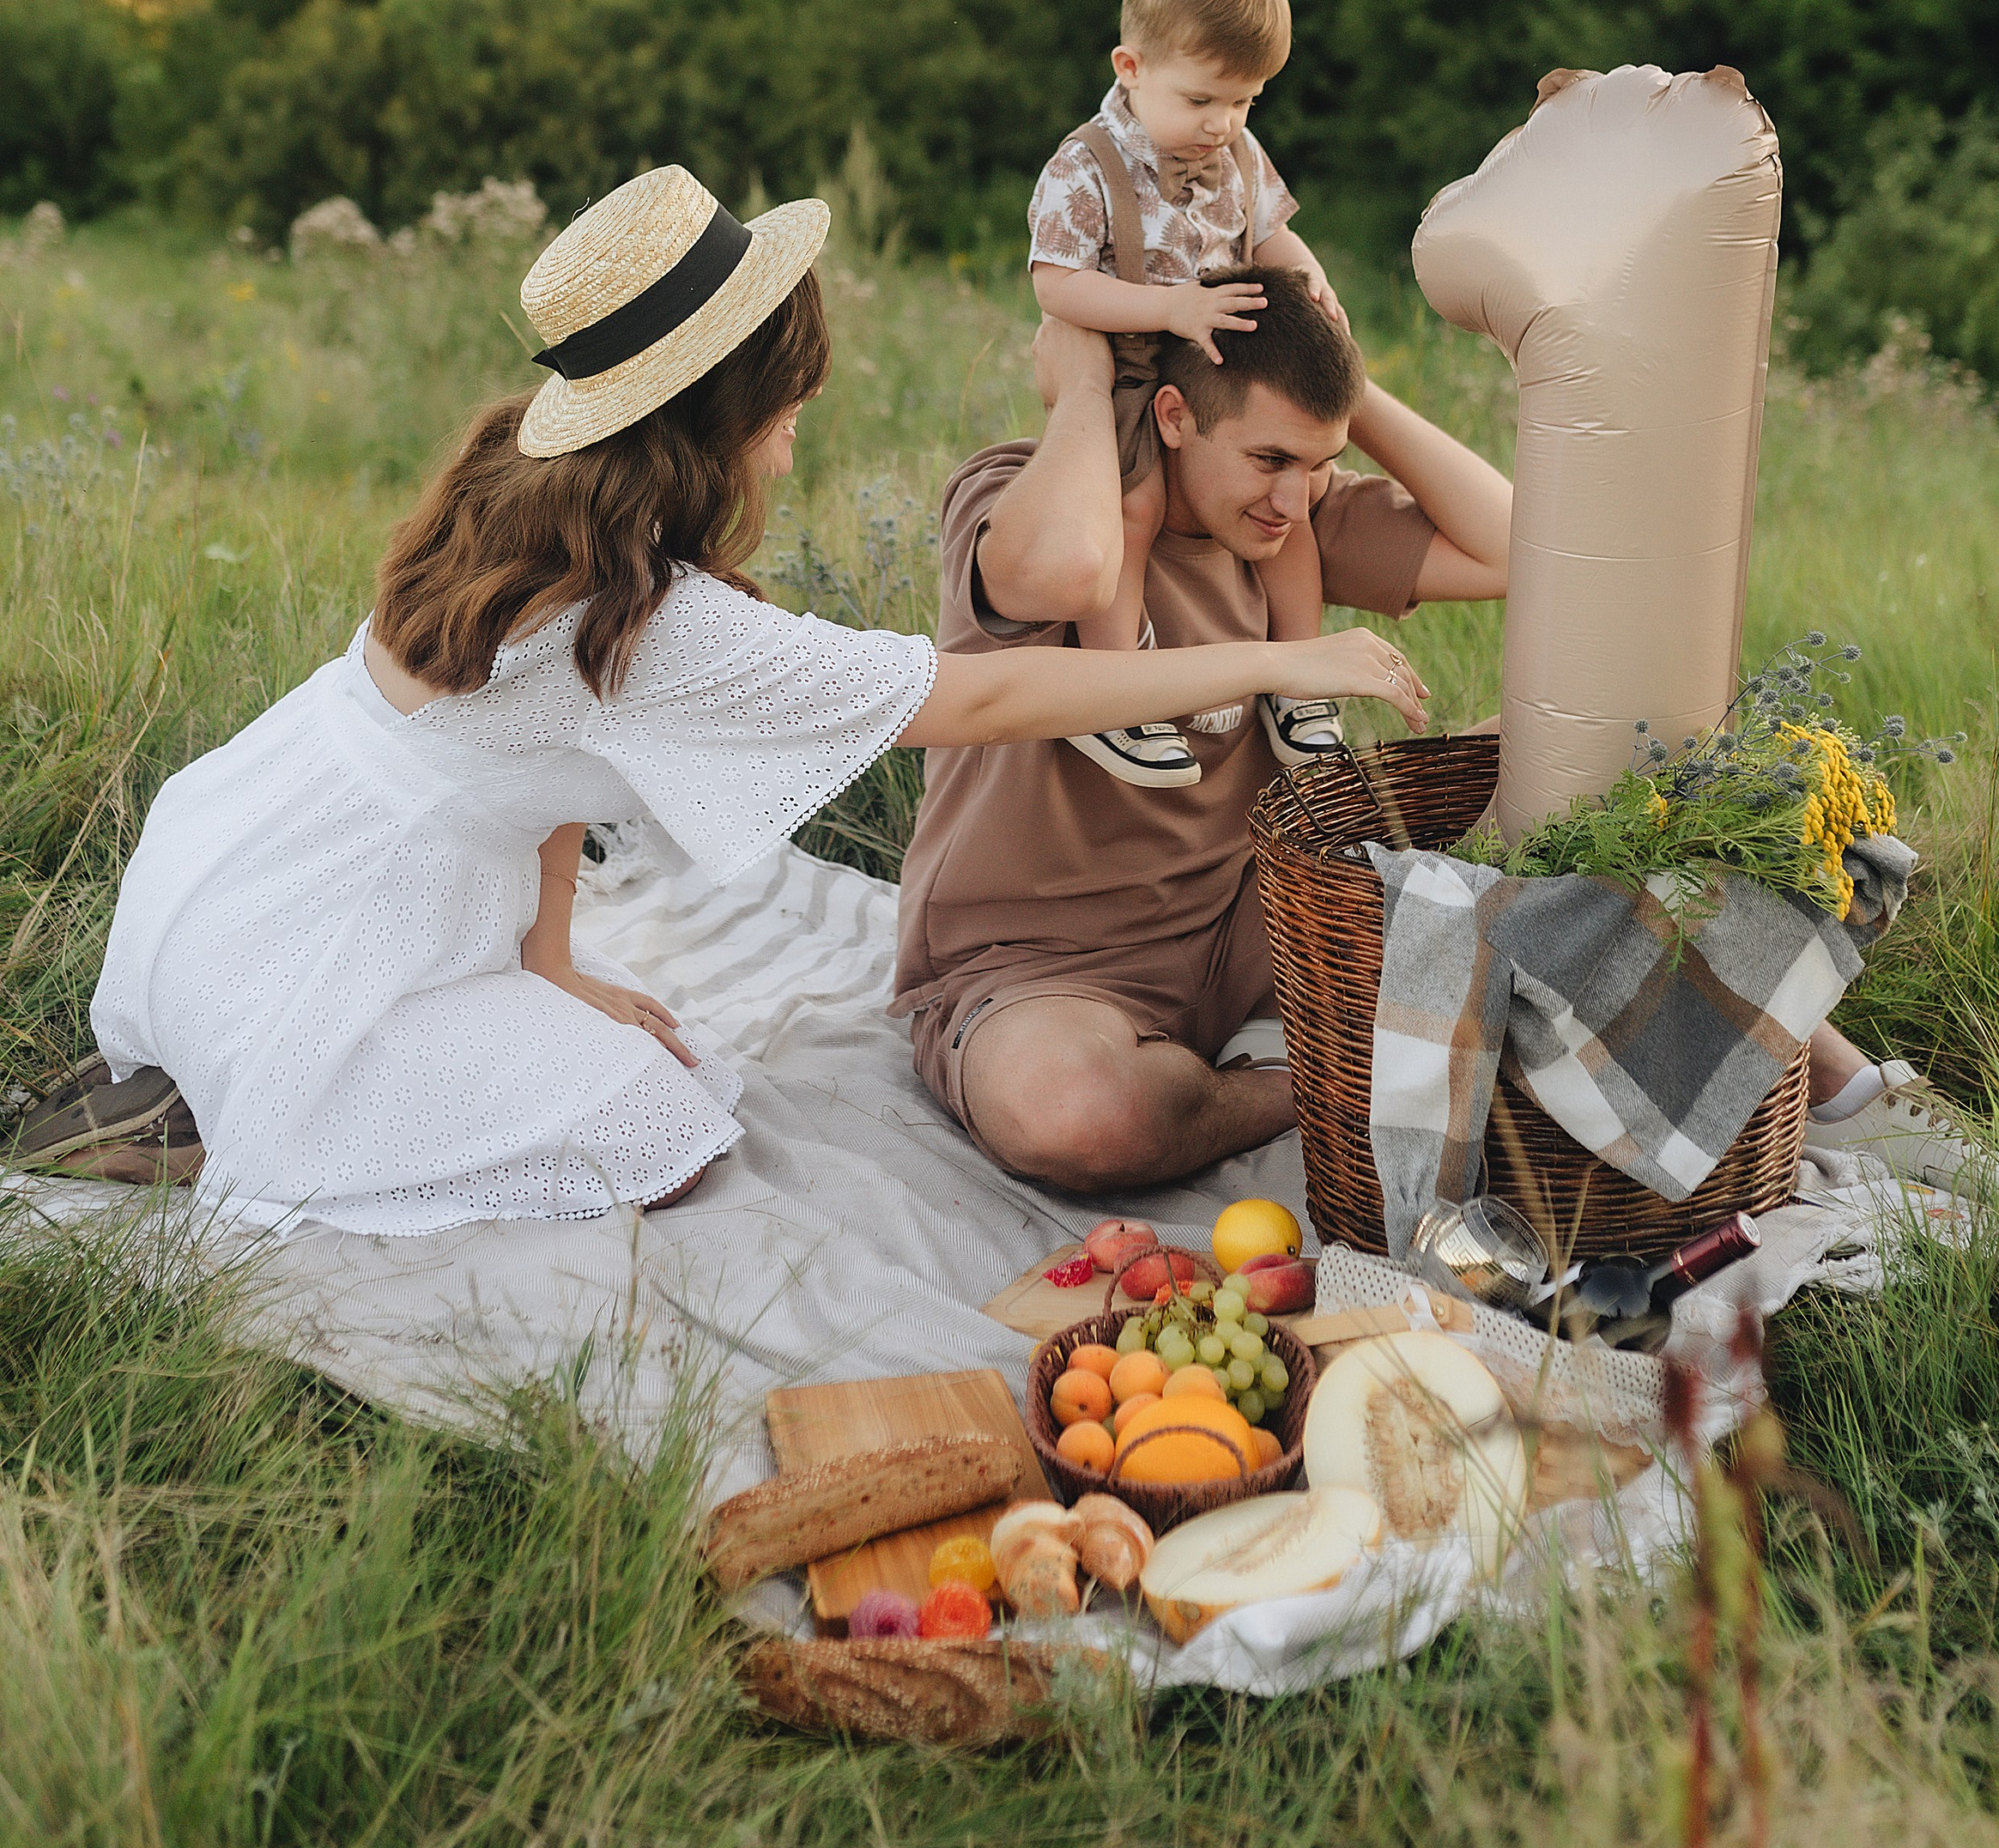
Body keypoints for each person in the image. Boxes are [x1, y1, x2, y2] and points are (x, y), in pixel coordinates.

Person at [78, 167, 1428, 1233]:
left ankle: (235, 1074)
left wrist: (552, 966)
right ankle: (241, 1114)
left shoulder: (524, 480)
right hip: (340, 935)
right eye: (791, 394)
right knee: (667, 1133)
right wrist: (1272, 661)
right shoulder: (649, 623)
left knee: (624, 1050)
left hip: (234, 856)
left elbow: (555, 764)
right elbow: (990, 689)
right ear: (729, 403)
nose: (805, 421)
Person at [892, 272, 1510, 1191]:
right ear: (1175, 415)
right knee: (1080, 1116)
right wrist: (1088, 390)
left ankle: (1275, 1058)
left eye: (1319, 463)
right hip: (1048, 962)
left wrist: (1347, 388)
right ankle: (1307, 1082)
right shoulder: (1033, 497)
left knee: (1563, 739)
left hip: (1258, 919)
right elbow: (1060, 568)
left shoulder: (1287, 517)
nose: (1293, 500)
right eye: (1268, 458)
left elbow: (1518, 546)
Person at [1027, 0, 1346, 792]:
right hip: (1134, 365)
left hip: (1224, 373)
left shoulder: (1237, 154)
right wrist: (1168, 306)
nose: (1224, 123)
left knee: (1295, 514)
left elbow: (1273, 233)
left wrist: (1311, 281)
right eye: (1203, 100)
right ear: (1130, 69)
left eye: (1245, 101)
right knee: (1130, 508)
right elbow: (1056, 285)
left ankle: (1299, 675)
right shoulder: (1086, 167)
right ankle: (1117, 694)